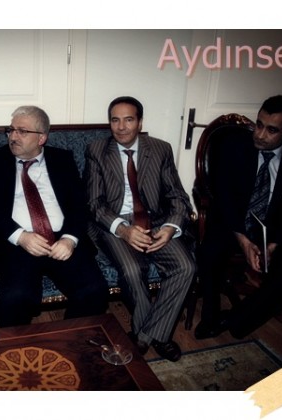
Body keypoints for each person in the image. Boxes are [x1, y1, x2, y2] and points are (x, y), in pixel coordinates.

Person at [0, 105, 109, 327]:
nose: (13, 137)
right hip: (18, 242)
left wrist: (70, 239)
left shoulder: (62, 159)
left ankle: (69, 340)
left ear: (42, 138)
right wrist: (21, 236)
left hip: (60, 239)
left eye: (22, 131)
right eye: (11, 130)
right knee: (15, 298)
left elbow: (78, 205)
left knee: (94, 290)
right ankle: (19, 346)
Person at [194, 95, 282, 340]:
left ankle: (235, 319)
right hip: (234, 222)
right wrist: (243, 239)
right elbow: (224, 197)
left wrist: (273, 244)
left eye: (271, 130)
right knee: (210, 252)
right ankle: (210, 318)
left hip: (274, 227)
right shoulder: (233, 146)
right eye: (259, 124)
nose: (259, 134)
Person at [84, 96, 196, 362]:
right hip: (114, 223)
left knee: (186, 267)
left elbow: (177, 196)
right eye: (115, 120)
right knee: (132, 269)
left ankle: (145, 336)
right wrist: (124, 230)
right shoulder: (97, 150)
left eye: (129, 119)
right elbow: (94, 203)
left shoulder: (160, 149)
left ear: (140, 122)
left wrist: (170, 227)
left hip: (155, 221)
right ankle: (160, 337)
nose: (121, 127)